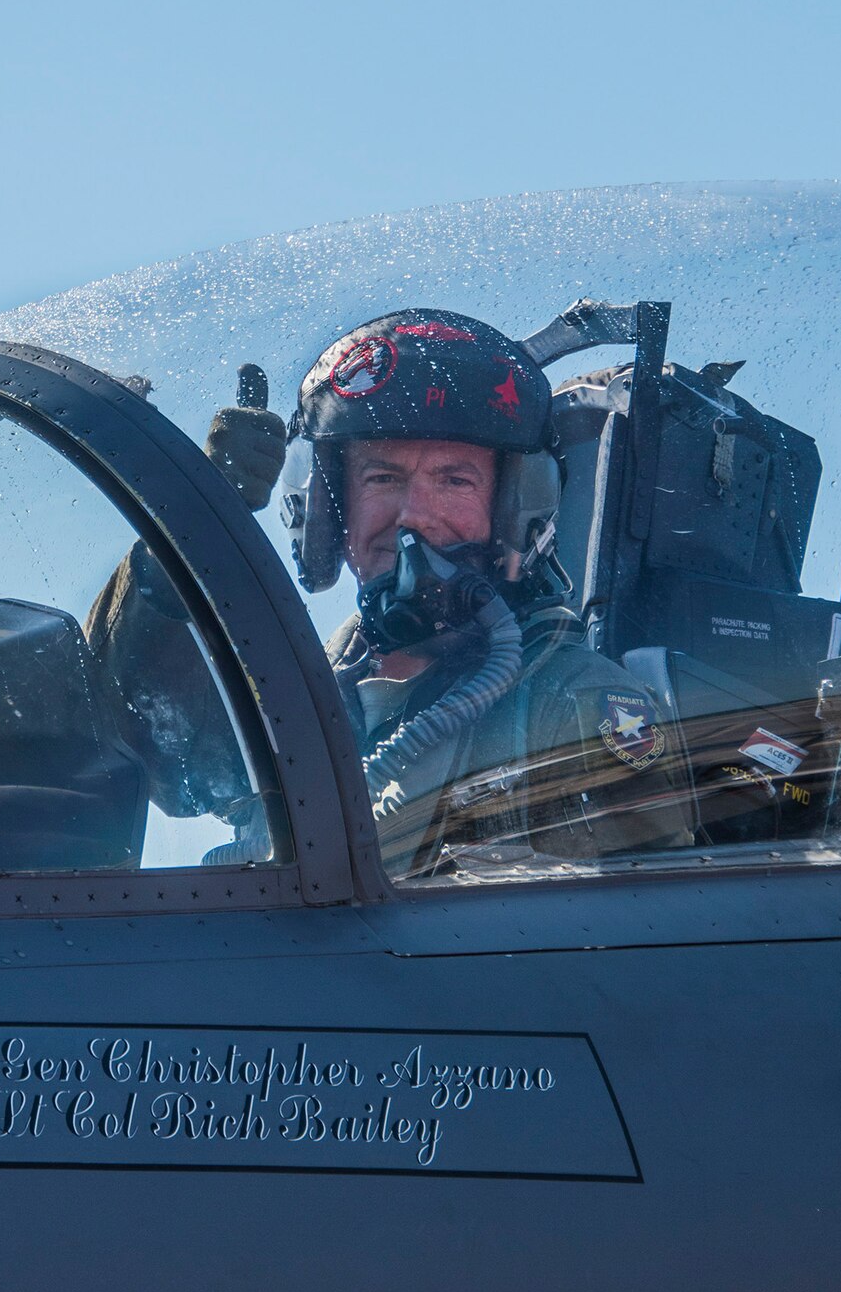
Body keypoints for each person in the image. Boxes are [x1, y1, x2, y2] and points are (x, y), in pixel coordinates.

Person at [88, 309, 692, 875]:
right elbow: (164, 763)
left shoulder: (576, 707)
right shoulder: (301, 697)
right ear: (328, 512)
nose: (414, 515)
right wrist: (181, 543)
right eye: (383, 477)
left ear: (515, 510)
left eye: (454, 480)